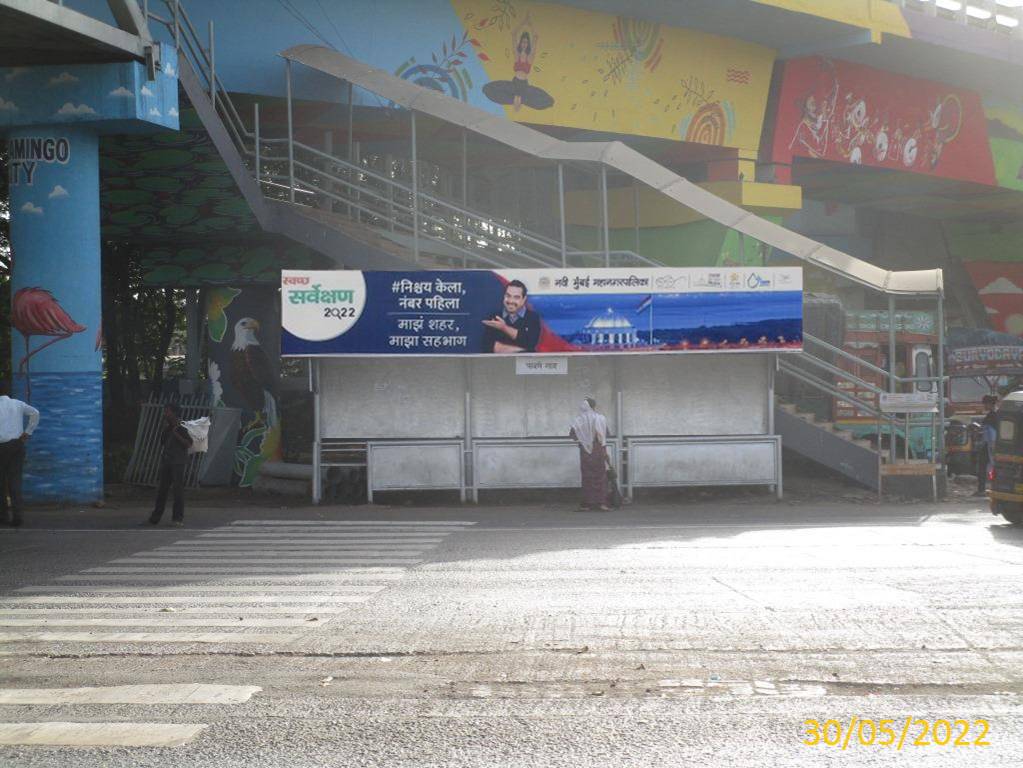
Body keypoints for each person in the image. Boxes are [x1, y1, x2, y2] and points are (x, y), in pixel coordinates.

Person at [147, 404, 192, 527]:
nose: (165, 414)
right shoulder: (167, 428)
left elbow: (188, 444)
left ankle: (177, 518)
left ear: (174, 414)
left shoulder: (181, 428)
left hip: (178, 463)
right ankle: (155, 518)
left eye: (167, 412)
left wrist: (176, 434)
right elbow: (163, 443)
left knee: (178, 491)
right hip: (167, 461)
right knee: (162, 491)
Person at [0, 390, 40, 528]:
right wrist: (27, 433)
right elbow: (35, 413)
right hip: (16, 445)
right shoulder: (18, 404)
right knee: (15, 481)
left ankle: (3, 516)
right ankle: (17, 517)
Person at [570, 398, 609, 511]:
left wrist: (584, 438)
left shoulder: (578, 420)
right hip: (598, 449)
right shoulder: (600, 418)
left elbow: (572, 435)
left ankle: (587, 504)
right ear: (593, 406)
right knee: (601, 476)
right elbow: (606, 434)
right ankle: (602, 503)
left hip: (585, 451)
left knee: (587, 476)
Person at [481, 280, 542, 353]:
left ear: (524, 299)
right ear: (504, 296)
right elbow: (487, 347)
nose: (511, 301)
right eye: (508, 296)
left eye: (516, 297)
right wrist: (524, 350)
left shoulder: (533, 318)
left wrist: (504, 328)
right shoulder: (494, 317)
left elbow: (530, 344)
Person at [974, 394, 998, 497]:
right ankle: (983, 489)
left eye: (985, 404)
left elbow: (991, 432)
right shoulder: (995, 414)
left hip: (990, 444)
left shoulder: (993, 415)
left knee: (988, 466)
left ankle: (983, 489)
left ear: (989, 404)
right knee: (985, 466)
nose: (984, 406)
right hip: (988, 444)